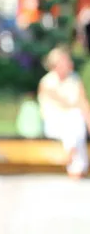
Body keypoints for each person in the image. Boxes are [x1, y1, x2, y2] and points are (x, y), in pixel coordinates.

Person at [37, 46, 90, 178]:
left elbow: (83, 103)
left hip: (73, 122)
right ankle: (77, 166)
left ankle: (73, 159)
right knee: (74, 122)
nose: (70, 63)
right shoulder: (47, 82)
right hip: (54, 123)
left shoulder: (75, 79)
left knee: (76, 122)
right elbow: (67, 103)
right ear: (56, 65)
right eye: (66, 61)